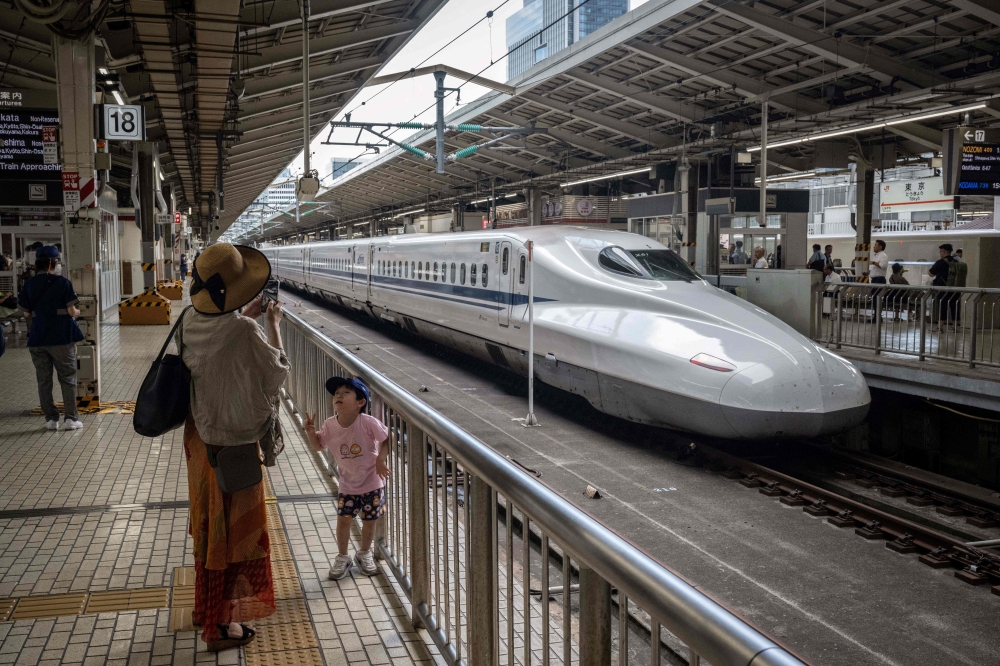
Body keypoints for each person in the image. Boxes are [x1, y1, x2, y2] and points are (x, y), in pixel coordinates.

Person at [176, 243, 288, 651]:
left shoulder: (189, 318)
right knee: (237, 540)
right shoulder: (244, 330)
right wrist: (271, 324)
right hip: (234, 447)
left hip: (199, 442)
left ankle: (206, 608)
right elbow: (276, 375)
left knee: (209, 529)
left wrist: (244, 316)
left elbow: (216, 349)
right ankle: (223, 628)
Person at [303, 377, 390, 580]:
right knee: (343, 520)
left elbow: (386, 438)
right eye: (336, 393)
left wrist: (381, 460)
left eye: (346, 392)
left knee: (369, 521)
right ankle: (343, 557)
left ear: (360, 402)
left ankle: (364, 554)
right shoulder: (330, 424)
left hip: (372, 483)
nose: (338, 395)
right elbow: (318, 445)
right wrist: (310, 433)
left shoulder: (367, 422)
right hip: (347, 484)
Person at [17, 246, 84, 431]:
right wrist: (76, 312)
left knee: (44, 380)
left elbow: (25, 313)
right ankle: (71, 419)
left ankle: (51, 420)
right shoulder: (63, 283)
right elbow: (71, 310)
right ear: (53, 264)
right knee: (68, 378)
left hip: (38, 339)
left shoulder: (29, 284)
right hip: (61, 337)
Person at [929, 243, 956, 327]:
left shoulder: (940, 262)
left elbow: (931, 273)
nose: (940, 253)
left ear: (944, 252)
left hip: (942, 287)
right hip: (955, 288)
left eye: (940, 251)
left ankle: (940, 327)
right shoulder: (956, 261)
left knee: (942, 306)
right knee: (954, 307)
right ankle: (955, 327)